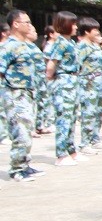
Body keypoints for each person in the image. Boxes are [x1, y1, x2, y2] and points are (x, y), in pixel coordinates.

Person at [0, 10, 44, 181]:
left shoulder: (27, 46)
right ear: (15, 24)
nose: (29, 25)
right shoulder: (8, 46)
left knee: (26, 130)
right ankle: (17, 170)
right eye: (26, 22)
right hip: (14, 94)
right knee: (20, 132)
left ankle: (25, 164)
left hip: (28, 93)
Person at [46, 11, 85, 167]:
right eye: (73, 24)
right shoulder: (60, 42)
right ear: (65, 25)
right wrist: (53, 80)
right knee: (64, 118)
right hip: (64, 82)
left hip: (73, 81)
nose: (76, 27)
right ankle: (61, 154)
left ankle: (71, 151)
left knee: (71, 118)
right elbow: (51, 65)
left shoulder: (71, 42)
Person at [75, 17, 102, 154]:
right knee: (88, 113)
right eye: (94, 30)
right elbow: (77, 66)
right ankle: (85, 143)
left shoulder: (95, 45)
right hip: (88, 84)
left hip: (98, 83)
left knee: (97, 112)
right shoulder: (82, 46)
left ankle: (95, 139)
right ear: (86, 31)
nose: (97, 32)